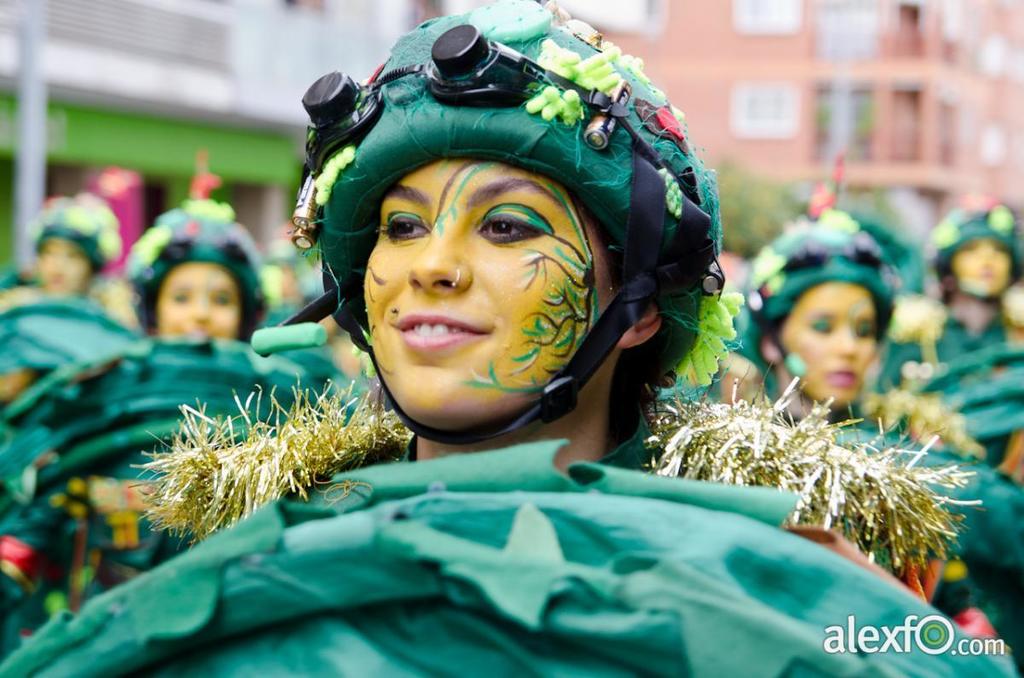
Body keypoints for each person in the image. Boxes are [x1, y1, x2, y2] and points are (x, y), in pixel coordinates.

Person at [4, 2, 1011, 674]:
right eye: (400, 228)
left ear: (644, 307)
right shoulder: (231, 553)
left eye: (505, 226)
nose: (428, 267)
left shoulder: (816, 567)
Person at [0, 199, 316, 652]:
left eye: (222, 299)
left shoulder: (280, 410)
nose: (201, 314)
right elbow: (40, 509)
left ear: (247, 316)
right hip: (105, 646)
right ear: (153, 310)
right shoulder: (101, 403)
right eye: (181, 298)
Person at [738, 212, 1024, 666]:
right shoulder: (728, 458)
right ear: (772, 338)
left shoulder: (913, 452)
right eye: (822, 326)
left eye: (865, 330)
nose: (850, 347)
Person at [882, 202, 1019, 388]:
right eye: (971, 249)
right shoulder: (919, 336)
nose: (987, 259)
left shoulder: (1018, 333)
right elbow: (882, 405)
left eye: (999, 250)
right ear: (948, 269)